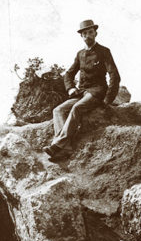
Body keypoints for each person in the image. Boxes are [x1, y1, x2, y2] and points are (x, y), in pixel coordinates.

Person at [43, 19, 120, 161]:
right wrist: (71, 88)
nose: (87, 36)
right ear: (81, 36)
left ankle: (57, 144)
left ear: (95, 33)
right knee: (58, 110)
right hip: (81, 91)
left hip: (96, 91)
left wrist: (108, 99)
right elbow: (68, 74)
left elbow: (114, 75)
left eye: (90, 32)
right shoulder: (80, 54)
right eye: (84, 33)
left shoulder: (104, 51)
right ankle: (65, 148)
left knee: (77, 108)